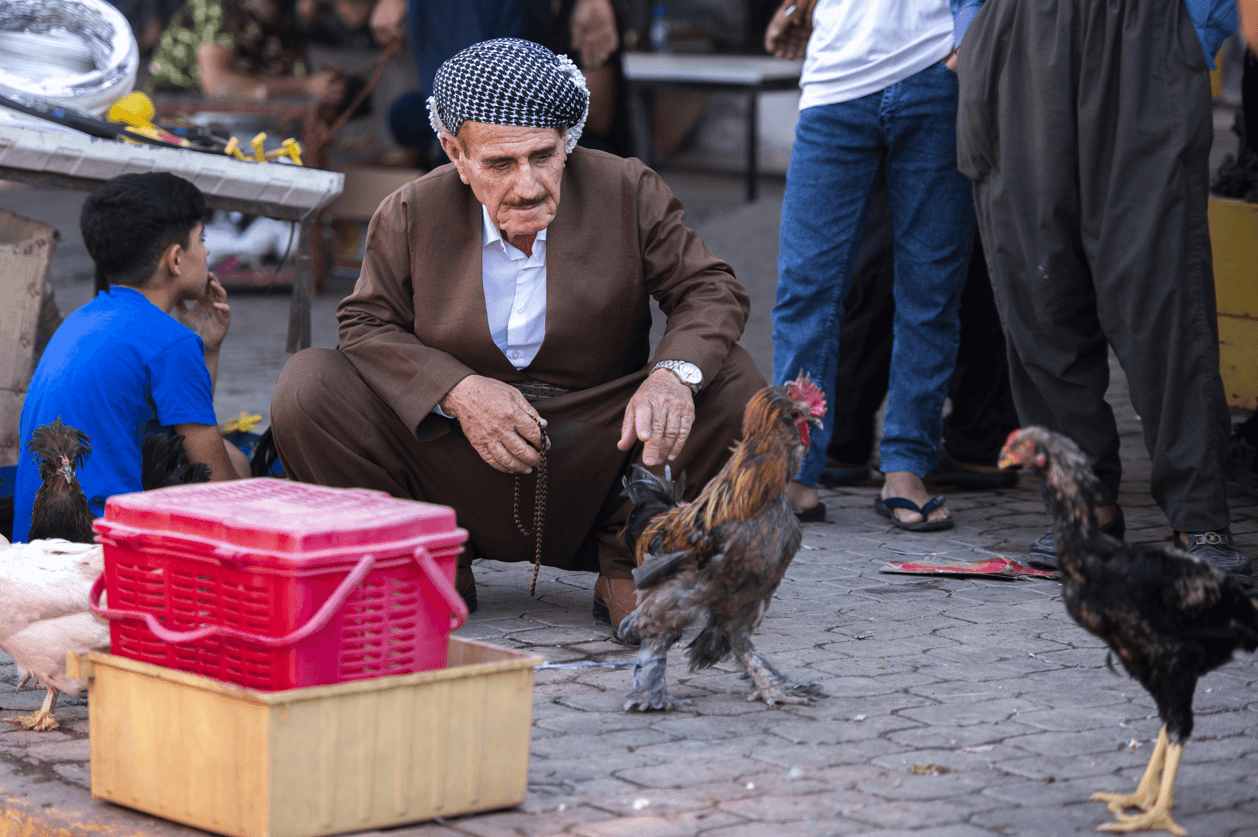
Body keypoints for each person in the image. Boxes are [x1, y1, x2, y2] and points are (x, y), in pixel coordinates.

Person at [270, 38, 765, 627]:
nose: (528, 185)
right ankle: (423, 559)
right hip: (452, 451)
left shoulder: (628, 189)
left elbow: (709, 290)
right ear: (457, 153)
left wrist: (669, 376)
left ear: (569, 141)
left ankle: (629, 564)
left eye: (544, 156)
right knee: (309, 387)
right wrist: (458, 390)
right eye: (500, 164)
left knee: (733, 381)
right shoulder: (411, 211)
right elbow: (364, 321)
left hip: (605, 446)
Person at [956, 0, 1253, 584]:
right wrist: (975, 27)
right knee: (1035, 285)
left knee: (1160, 288)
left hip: (1146, 33)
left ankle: (1200, 519)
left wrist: (1196, 31)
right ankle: (1085, 506)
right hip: (1017, 32)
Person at [765, 0, 981, 530]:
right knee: (805, 288)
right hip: (835, 82)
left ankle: (906, 466)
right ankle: (795, 469)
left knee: (930, 290)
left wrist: (963, 49)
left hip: (936, 73)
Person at [11, 173, 248, 543]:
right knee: (241, 466)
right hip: (101, 549)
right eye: (201, 240)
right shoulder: (170, 343)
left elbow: (181, 427)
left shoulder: (83, 319)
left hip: (36, 539)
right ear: (175, 260)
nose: (205, 252)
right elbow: (217, 486)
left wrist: (209, 348)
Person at [147, 0, 348, 120]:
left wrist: (328, 90)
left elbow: (290, 90)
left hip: (251, 125)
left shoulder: (285, 21)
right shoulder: (219, 5)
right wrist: (305, 87)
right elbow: (217, 85)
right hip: (179, 120)